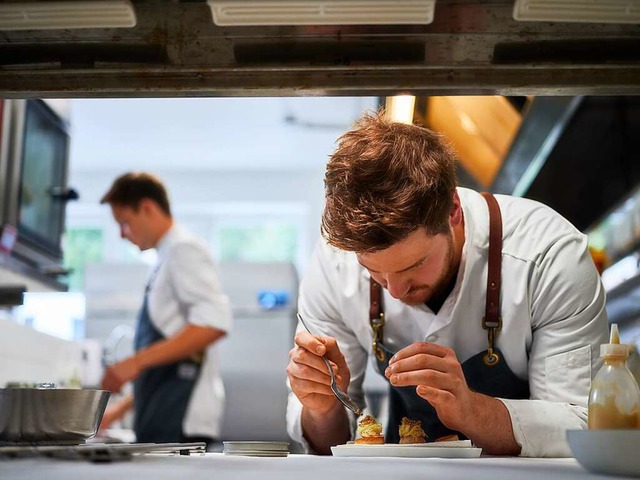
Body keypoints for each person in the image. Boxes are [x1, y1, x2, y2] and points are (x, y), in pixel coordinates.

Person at [286, 111, 608, 457]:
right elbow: (326, 443)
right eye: (373, 272)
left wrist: (470, 411)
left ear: (453, 210)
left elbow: (581, 426)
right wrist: (322, 406)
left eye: (415, 265)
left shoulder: (547, 253)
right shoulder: (334, 265)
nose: (395, 291)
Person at [99, 172, 232, 447]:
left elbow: (213, 324)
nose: (123, 234)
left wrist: (132, 363)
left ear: (147, 207)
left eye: (125, 223)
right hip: (163, 415)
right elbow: (170, 355)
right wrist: (118, 412)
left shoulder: (184, 249)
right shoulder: (165, 257)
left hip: (182, 422)